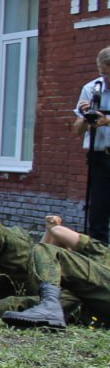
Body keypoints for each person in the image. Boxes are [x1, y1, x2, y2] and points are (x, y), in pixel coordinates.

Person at [74, 46, 110, 244]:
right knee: (97, 213)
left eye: (109, 75)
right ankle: (99, 263)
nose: (106, 80)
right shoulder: (91, 89)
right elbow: (77, 130)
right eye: (103, 74)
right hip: (99, 157)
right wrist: (85, 118)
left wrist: (107, 122)